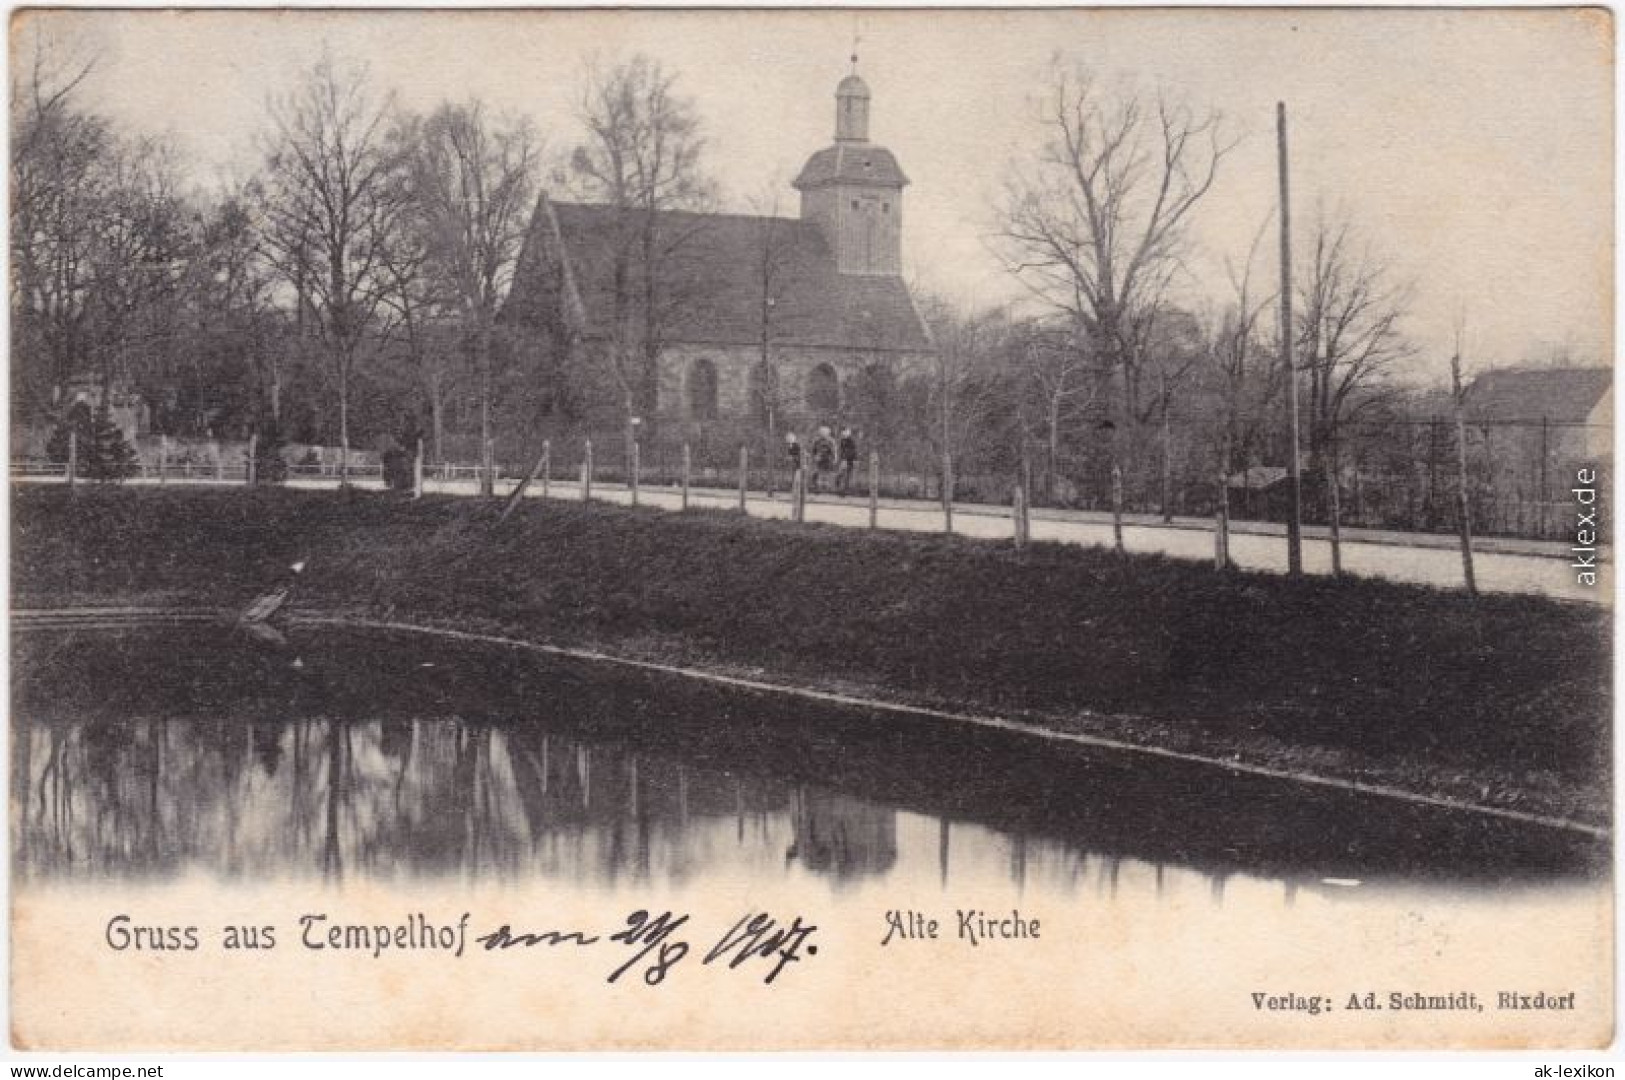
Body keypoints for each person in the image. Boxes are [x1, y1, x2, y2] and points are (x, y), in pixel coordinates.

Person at [810, 425, 837, 493]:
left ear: (828, 433)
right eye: (821, 432)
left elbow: (834, 450)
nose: (823, 434)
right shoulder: (816, 441)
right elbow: (813, 450)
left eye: (824, 432)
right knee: (817, 472)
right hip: (819, 459)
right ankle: (817, 487)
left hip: (828, 459)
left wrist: (834, 458)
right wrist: (814, 456)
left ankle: (827, 487)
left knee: (827, 473)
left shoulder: (831, 441)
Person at [836, 427, 858, 495]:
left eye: (845, 432)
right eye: (843, 432)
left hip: (849, 460)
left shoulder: (851, 441)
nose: (843, 434)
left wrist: (853, 460)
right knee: (842, 474)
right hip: (845, 460)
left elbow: (853, 451)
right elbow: (842, 450)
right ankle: (841, 488)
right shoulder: (842, 440)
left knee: (847, 475)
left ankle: (844, 490)